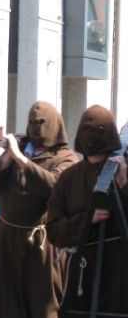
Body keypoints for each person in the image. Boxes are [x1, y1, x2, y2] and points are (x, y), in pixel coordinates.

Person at [0, 100, 77, 318]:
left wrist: (21, 160)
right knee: (3, 304)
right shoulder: (17, 152)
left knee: (41, 305)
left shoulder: (65, 157)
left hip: (40, 244)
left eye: (42, 122)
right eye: (32, 122)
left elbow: (55, 186)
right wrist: (5, 161)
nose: (37, 128)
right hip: (6, 240)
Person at [47, 105, 128, 314]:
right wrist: (86, 220)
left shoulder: (123, 170)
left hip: (119, 272)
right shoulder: (69, 178)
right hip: (82, 275)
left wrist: (123, 184)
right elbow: (54, 230)